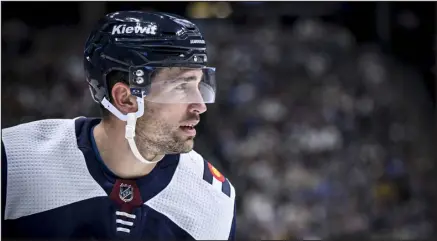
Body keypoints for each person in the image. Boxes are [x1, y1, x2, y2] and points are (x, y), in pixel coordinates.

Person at [1, 11, 236, 240]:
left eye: (199, 84)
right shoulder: (14, 161)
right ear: (125, 99)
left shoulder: (214, 201)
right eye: (182, 87)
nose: (200, 105)